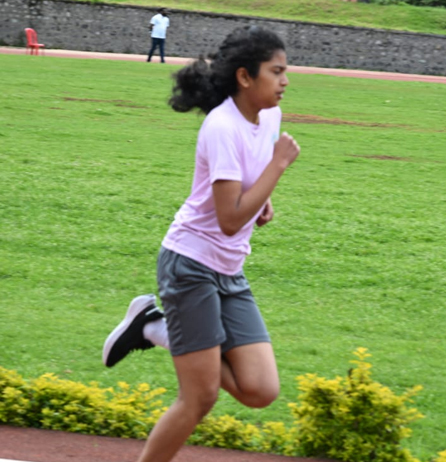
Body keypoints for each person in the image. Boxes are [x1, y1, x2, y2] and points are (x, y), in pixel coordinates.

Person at [102, 25, 300, 462]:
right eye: (277, 71)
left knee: (261, 390)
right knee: (200, 397)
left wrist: (263, 201)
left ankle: (153, 327)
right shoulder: (221, 126)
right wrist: (279, 168)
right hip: (190, 264)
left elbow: (245, 192)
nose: (286, 81)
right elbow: (229, 219)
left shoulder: (269, 116)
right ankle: (155, 326)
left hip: (229, 269)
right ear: (246, 77)